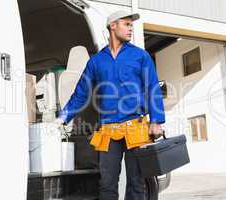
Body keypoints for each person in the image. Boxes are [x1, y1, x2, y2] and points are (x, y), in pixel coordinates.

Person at [55, 10, 165, 200]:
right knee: (106, 184)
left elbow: (152, 88)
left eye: (131, 25)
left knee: (137, 183)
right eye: (127, 24)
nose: (131, 28)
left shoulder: (140, 56)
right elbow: (81, 92)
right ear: (113, 25)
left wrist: (156, 120)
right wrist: (64, 116)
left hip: (136, 128)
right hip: (108, 129)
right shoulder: (96, 62)